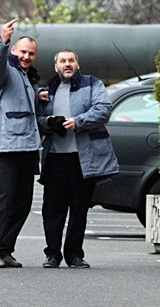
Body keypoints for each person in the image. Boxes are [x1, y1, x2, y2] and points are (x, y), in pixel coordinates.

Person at [37, 49, 119, 269]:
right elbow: (35, 118)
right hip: (54, 158)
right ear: (56, 66)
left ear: (77, 64)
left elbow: (103, 109)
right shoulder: (46, 92)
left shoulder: (92, 84)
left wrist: (78, 121)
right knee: (52, 209)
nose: (67, 64)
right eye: (62, 61)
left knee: (79, 208)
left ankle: (74, 254)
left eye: (71, 60)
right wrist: (49, 123)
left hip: (83, 158)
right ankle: (52, 254)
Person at [0, 18, 42, 268]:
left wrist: (40, 95)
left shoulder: (29, 78)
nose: (26, 56)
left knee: (23, 202)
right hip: (5, 146)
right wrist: (2, 41)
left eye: (31, 53)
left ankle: (6, 248)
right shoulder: (5, 70)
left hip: (27, 148)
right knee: (3, 199)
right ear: (14, 51)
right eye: (23, 51)